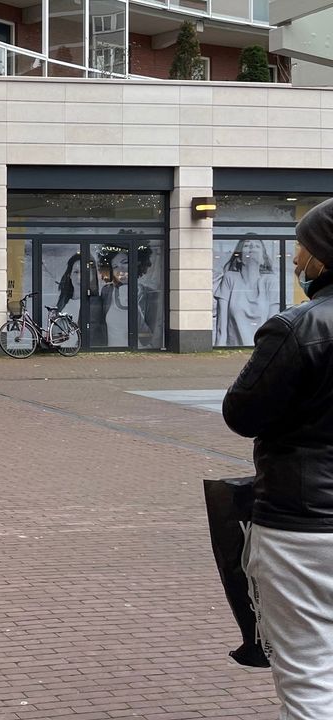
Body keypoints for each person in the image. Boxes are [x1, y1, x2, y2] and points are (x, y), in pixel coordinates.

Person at [224, 197, 333, 719]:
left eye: (305, 248)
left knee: (309, 676)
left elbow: (242, 413)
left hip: (304, 526)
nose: (295, 260)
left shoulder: (298, 328)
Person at [214, 236, 280, 346]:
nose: (252, 247)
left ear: (263, 259)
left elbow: (272, 324)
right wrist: (219, 351)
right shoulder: (230, 278)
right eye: (247, 245)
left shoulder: (270, 281)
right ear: (239, 257)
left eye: (257, 246)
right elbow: (221, 326)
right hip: (233, 350)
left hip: (260, 350)